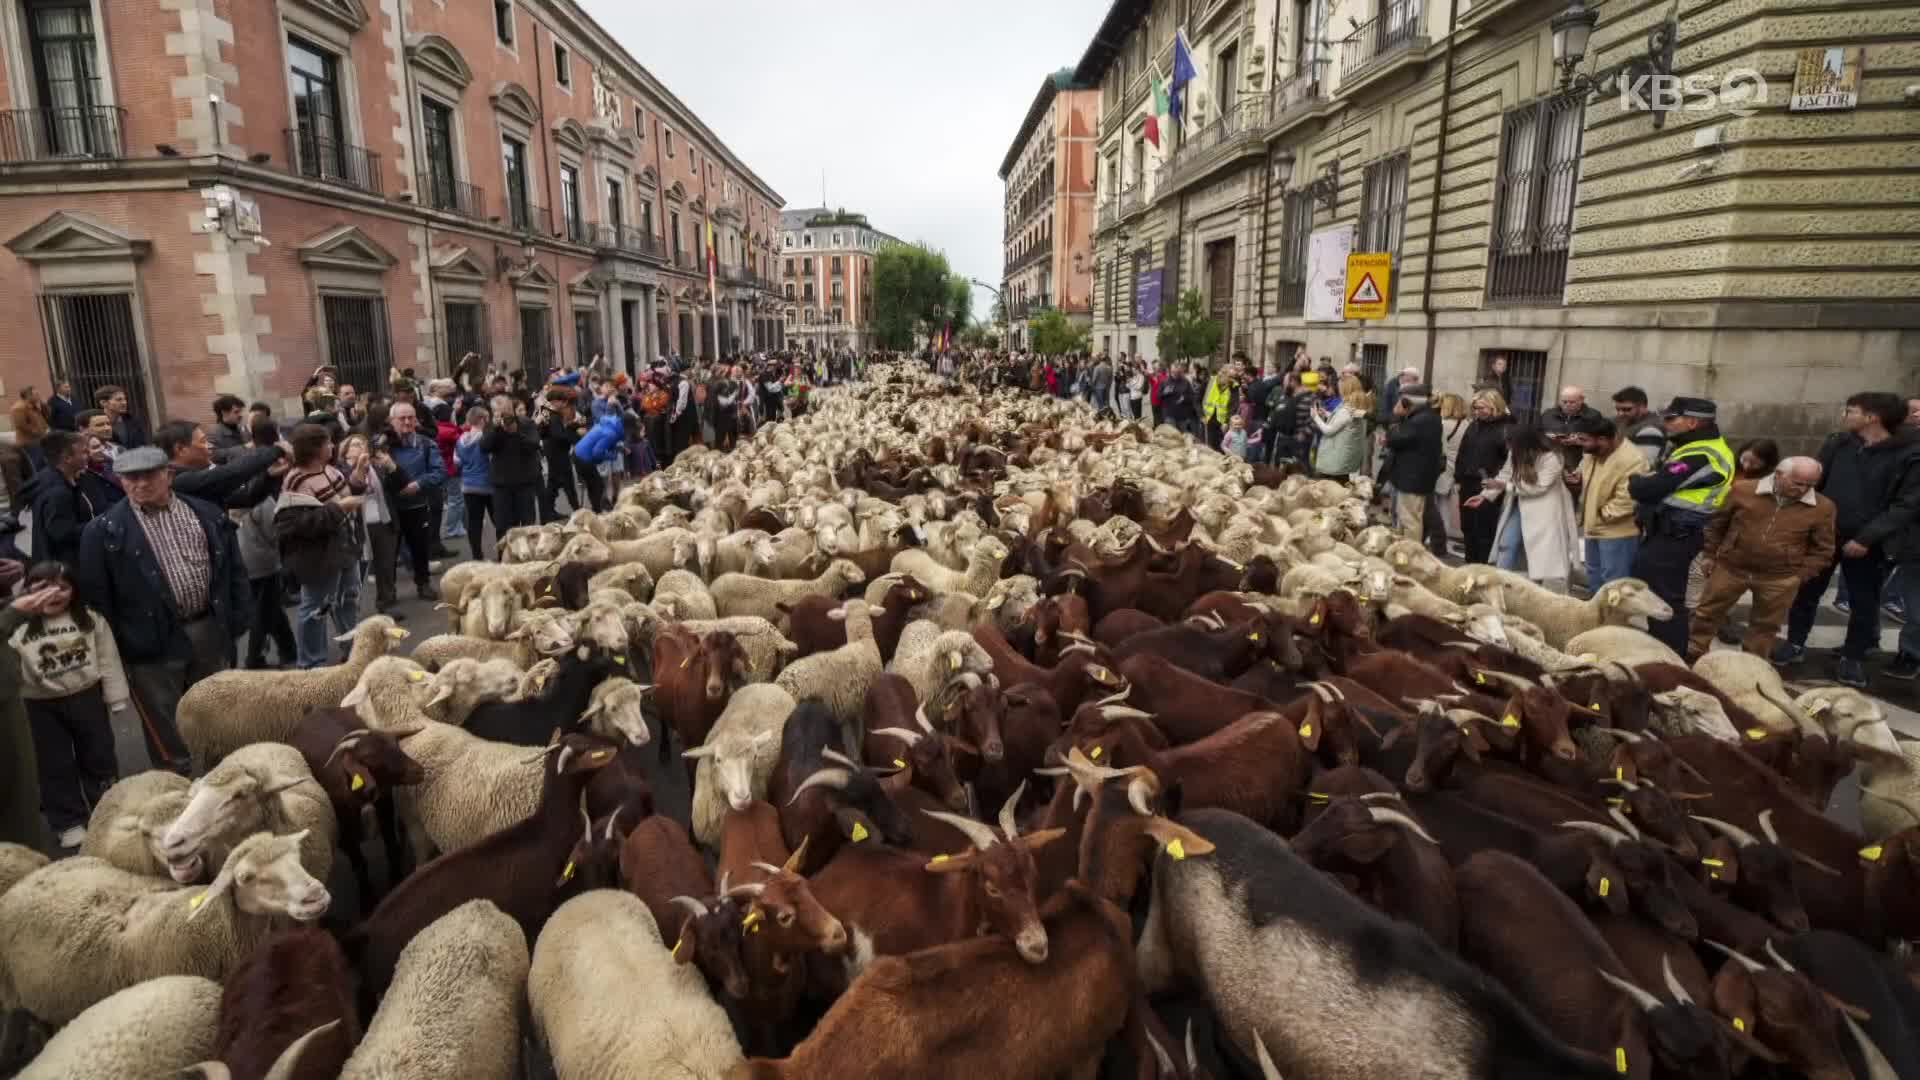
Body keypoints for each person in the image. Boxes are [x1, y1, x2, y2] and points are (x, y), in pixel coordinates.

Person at [76, 446, 248, 776]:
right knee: (164, 717)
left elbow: (232, 569)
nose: (139, 484)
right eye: (130, 478)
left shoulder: (205, 512)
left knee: (214, 706)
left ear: (168, 475)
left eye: (148, 476)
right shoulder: (102, 532)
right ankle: (178, 779)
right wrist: (119, 649)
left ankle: (222, 771)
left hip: (208, 626)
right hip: (149, 641)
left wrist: (239, 617)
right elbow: (98, 599)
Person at [1776, 392, 1920, 687]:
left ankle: (1853, 657)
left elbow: (1906, 505)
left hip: (1869, 542)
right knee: (1806, 590)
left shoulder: (1909, 454)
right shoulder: (1838, 443)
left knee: (1863, 601)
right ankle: (1794, 643)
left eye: (1851, 411)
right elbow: (1816, 483)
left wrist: (1867, 538)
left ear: (1872, 418)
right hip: (1825, 535)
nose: (1845, 415)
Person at [3, 561, 127, 850]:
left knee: (99, 756)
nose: (54, 594)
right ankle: (68, 820)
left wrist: (116, 697)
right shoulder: (19, 630)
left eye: (62, 587)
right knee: (53, 764)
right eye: (42, 588)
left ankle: (107, 808)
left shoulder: (90, 620)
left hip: (86, 696)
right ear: (27, 593)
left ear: (75, 589)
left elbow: (108, 659)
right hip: (39, 705)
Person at [1689, 457, 1836, 662]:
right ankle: (1694, 652)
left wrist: (1799, 576)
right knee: (1707, 613)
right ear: (1778, 475)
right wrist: (1709, 555)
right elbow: (1717, 524)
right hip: (1731, 567)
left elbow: (1824, 549)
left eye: (1811, 485)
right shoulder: (1743, 490)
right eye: (1798, 483)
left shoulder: (1823, 507)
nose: (1804, 489)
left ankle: (1753, 664)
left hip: (1779, 578)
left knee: (1765, 626)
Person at [1628, 397, 1734, 654]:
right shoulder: (1693, 446)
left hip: (1674, 536)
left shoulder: (1701, 453)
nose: (1666, 423)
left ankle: (1669, 658)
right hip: (1668, 532)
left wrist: (1635, 481)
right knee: (1658, 597)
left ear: (1692, 422)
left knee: (1665, 601)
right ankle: (1661, 651)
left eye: (1671, 418)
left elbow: (1650, 488)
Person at [278, 423, 368, 666]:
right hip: (318, 556)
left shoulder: (331, 470)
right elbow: (296, 525)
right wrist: (339, 508)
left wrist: (358, 475)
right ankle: (311, 664)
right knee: (315, 609)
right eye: (327, 442)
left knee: (348, 599)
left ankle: (353, 652)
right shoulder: (296, 480)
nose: (332, 445)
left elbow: (347, 493)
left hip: (345, 548)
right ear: (315, 448)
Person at [1472, 424, 1579, 594]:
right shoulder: (1516, 451)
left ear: (1526, 443)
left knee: (1540, 553)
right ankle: (1498, 585)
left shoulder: (1553, 457)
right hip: (1519, 502)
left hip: (1545, 508)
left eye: (1511, 444)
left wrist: (1504, 486)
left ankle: (1535, 592)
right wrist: (1485, 495)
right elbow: (1506, 474)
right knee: (1506, 543)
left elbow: (1540, 486)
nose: (1508, 448)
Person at [368, 402, 445, 606]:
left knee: (420, 548)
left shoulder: (426, 444)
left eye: (411, 417)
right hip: (389, 507)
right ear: (391, 421)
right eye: (402, 418)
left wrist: (419, 484)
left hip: (417, 505)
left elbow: (439, 472)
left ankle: (423, 583)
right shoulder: (380, 444)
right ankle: (388, 593)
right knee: (388, 554)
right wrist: (380, 444)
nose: (407, 422)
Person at [234, 418, 295, 670]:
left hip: (246, 560)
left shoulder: (235, 491)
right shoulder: (262, 500)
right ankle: (254, 658)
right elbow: (274, 532)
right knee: (263, 612)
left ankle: (289, 649)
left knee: (271, 608)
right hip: (263, 562)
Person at [1573, 414, 1651, 591]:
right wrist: (1575, 481)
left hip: (1618, 532)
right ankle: (1596, 613)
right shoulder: (1592, 453)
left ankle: (1614, 617)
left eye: (1584, 440)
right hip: (1593, 526)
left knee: (1614, 580)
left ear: (1603, 439)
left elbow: (1628, 498)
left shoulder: (1634, 459)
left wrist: (1601, 515)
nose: (1581, 444)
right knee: (1594, 574)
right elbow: (1584, 475)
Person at [156, 419, 286, 509]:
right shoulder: (178, 481)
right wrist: (276, 449)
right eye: (203, 441)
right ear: (180, 450)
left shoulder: (192, 480)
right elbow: (231, 472)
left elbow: (247, 497)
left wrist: (269, 475)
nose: (209, 446)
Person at [26, 430, 100, 569]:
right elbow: (63, 533)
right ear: (67, 458)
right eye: (83, 452)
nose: (88, 455)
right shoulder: (58, 493)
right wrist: (100, 523)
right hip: (66, 568)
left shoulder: (50, 478)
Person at [1383, 384, 1443, 542]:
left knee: (1410, 520)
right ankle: (1402, 550)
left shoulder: (1419, 421)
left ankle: (1410, 552)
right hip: (1412, 477)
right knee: (1405, 518)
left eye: (1400, 401)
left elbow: (1395, 438)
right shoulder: (1426, 417)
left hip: (1412, 479)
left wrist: (1396, 415)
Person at [481, 395, 542, 536]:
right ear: (493, 412)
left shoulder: (525, 423)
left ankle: (529, 556)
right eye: (501, 411)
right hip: (502, 484)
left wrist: (517, 433)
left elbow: (534, 445)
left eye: (507, 410)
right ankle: (504, 557)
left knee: (528, 525)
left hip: (525, 482)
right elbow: (484, 447)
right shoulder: (491, 427)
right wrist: (496, 429)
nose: (506, 414)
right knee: (503, 526)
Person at [1430, 393, 1471, 554]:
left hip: (1442, 467)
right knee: (1445, 506)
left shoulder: (1443, 424)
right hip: (1456, 468)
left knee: (1434, 506)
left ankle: (1435, 538)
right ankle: (1444, 538)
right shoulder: (1467, 424)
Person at [454, 405, 494, 562]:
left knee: (474, 522)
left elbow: (456, 461)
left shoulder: (460, 440)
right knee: (499, 520)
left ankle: (477, 556)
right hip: (487, 485)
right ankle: (502, 553)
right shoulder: (485, 438)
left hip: (468, 485)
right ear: (482, 419)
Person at [1310, 374, 1368, 480]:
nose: (1338, 390)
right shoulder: (1356, 405)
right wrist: (1327, 414)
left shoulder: (1347, 410)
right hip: (1343, 460)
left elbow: (1328, 431)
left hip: (1336, 462)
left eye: (1340, 387)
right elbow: (1343, 423)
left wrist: (1315, 417)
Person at [1540, 386, 1605, 473]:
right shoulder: (1549, 414)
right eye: (1564, 402)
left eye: (1572, 402)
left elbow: (1599, 442)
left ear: (1581, 400)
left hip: (1576, 463)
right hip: (1550, 461)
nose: (1567, 405)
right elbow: (1538, 433)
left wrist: (1579, 441)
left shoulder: (1593, 416)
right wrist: (1549, 437)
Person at [1611, 387, 1667, 467]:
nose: (1620, 413)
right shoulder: (1620, 420)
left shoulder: (1651, 430)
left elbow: (1644, 465)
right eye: (1618, 409)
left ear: (1643, 407)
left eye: (1627, 409)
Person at [97, 384, 148, 450]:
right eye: (119, 400)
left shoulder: (133, 422)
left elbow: (142, 446)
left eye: (125, 399)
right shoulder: (97, 425)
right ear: (104, 403)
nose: (124, 403)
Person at [1160, 364, 1200, 439]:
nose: (1175, 373)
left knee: (1182, 437)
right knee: (1171, 436)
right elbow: (1159, 397)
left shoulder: (1185, 382)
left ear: (1180, 371)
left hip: (1182, 416)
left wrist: (1184, 398)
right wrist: (1164, 393)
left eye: (1177, 371)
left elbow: (1192, 396)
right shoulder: (1165, 382)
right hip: (1169, 414)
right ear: (1170, 371)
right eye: (1173, 371)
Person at [206, 395, 248, 463]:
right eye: (236, 412)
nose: (241, 415)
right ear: (224, 413)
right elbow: (213, 456)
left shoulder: (243, 428)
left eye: (241, 411)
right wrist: (244, 448)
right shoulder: (213, 433)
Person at [10, 387, 49, 458]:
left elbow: (47, 417)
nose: (38, 396)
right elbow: (21, 425)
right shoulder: (19, 408)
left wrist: (44, 405)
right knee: (36, 463)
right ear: (28, 395)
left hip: (38, 440)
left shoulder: (34, 406)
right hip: (29, 442)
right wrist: (36, 431)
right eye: (36, 394)